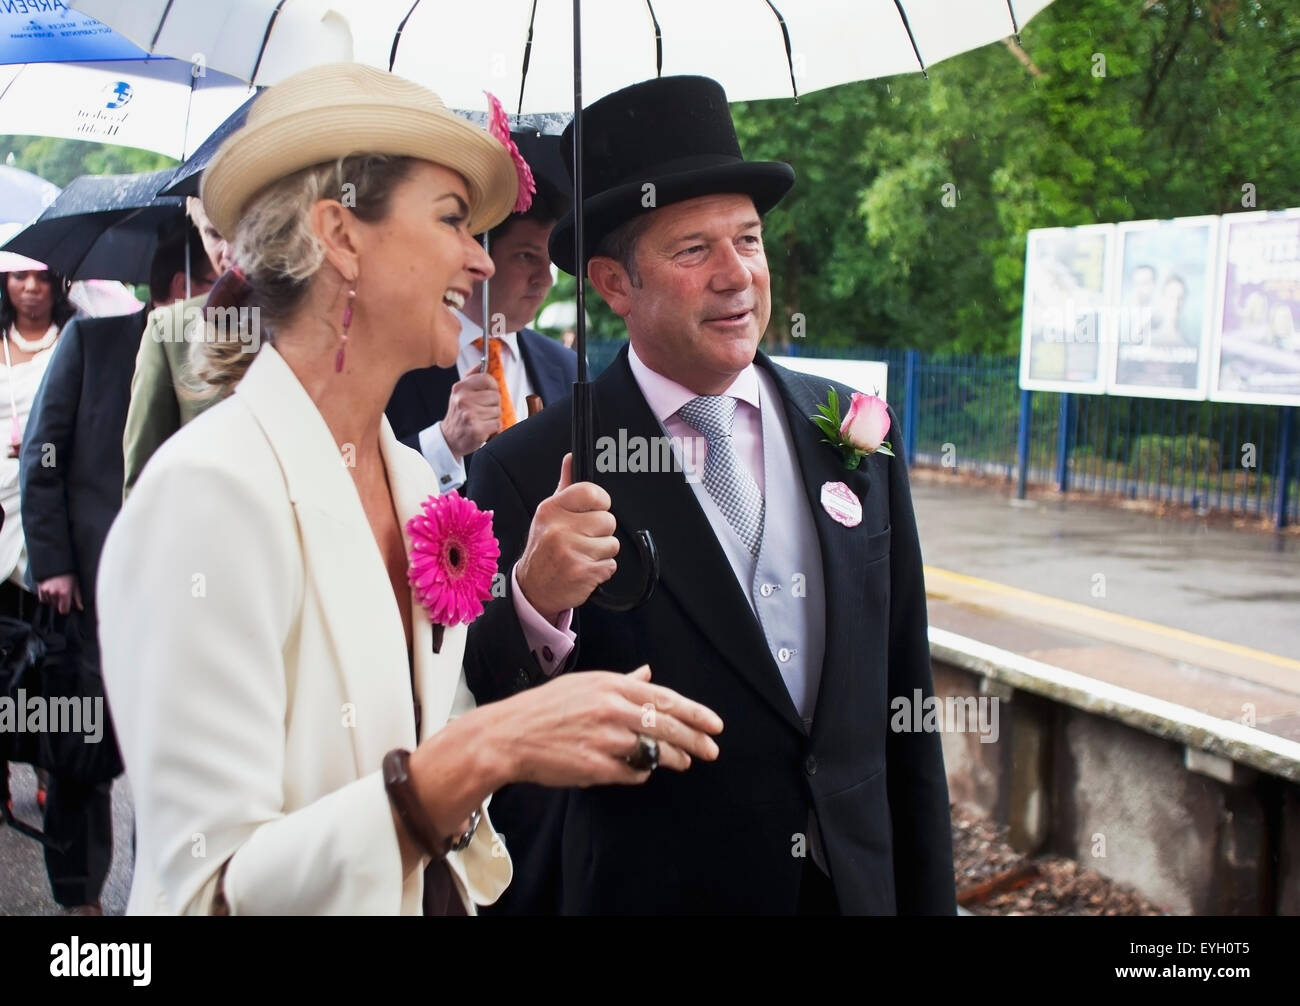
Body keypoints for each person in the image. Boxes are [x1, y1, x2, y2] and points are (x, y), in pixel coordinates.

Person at [95, 63, 721, 916]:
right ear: (341, 235)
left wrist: (533, 598)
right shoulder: (206, 495)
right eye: (455, 220)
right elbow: (212, 892)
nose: (478, 257)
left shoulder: (415, 480)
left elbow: (414, 737)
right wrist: (491, 747)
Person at [463, 76, 957, 915]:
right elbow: (490, 716)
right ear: (613, 285)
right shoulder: (530, 469)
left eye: (750, 241)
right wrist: (537, 606)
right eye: (694, 250)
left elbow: (905, 696)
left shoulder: (857, 431)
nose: (738, 276)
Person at [14, 224, 204, 915]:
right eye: (213, 287)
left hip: (188, 601)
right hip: (90, 595)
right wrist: (54, 566)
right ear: (180, 287)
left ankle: (166, 894)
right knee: (80, 756)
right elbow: (42, 454)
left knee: (177, 756)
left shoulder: (231, 366)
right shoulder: (92, 344)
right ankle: (79, 903)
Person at [386, 133, 577, 494]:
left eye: (549, 262)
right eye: (526, 256)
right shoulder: (399, 358)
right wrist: (445, 442)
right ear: (479, 253)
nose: (544, 279)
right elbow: (358, 483)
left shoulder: (565, 367)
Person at [0, 261, 75, 818]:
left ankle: (49, 761)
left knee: (46, 652)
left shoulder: (75, 343)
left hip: (46, 510)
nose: (30, 287)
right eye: (18, 276)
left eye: (42, 277)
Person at [120, 198, 228, 497]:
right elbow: (143, 483)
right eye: (215, 234)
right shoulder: (170, 331)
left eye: (244, 226)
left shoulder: (328, 318)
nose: (232, 250)